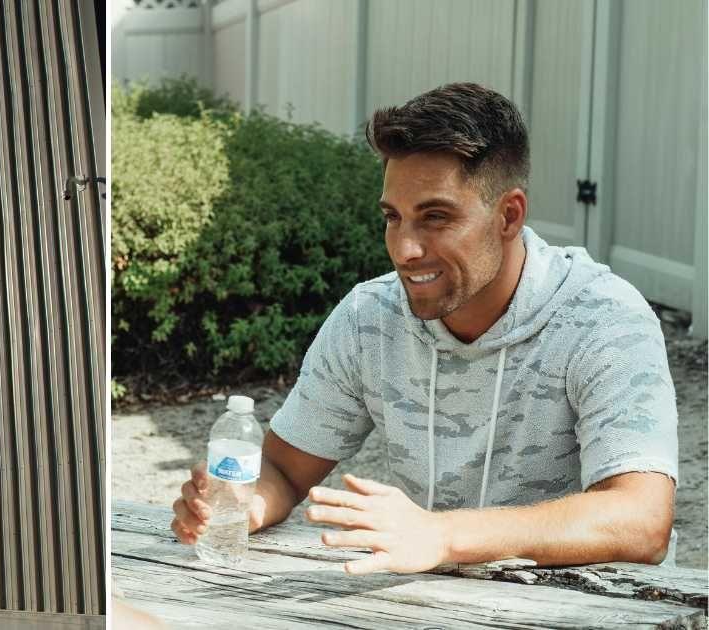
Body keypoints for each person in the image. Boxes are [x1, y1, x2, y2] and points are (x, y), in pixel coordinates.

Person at [170, 82, 680, 574]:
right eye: (393, 217)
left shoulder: (603, 318)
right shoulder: (368, 318)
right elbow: (283, 469)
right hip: (432, 602)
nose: (405, 250)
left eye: (435, 217)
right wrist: (243, 502)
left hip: (593, 606)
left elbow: (641, 519)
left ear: (509, 216)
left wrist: (444, 535)